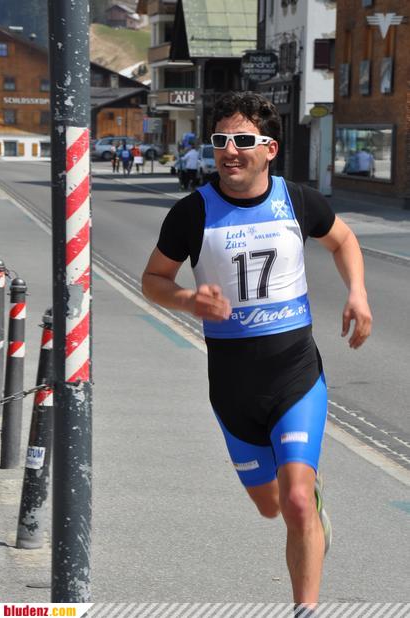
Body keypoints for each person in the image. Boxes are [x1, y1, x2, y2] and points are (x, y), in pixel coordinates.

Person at [142, 92, 372, 613]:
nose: (230, 150)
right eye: (220, 140)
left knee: (296, 501)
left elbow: (343, 241)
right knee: (271, 506)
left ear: (269, 148)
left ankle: (304, 607)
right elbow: (153, 279)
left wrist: (357, 293)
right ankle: (305, 502)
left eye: (243, 140)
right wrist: (187, 300)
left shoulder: (298, 201)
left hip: (295, 376)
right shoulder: (192, 212)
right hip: (233, 389)